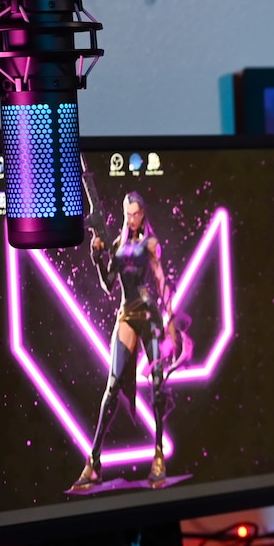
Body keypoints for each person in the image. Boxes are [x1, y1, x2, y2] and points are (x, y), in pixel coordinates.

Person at [70, 191, 188, 492]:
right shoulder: (118, 244)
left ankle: (158, 456)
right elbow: (109, 285)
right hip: (126, 314)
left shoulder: (149, 244)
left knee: (158, 384)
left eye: (137, 213)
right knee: (112, 386)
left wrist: (170, 317)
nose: (132, 218)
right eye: (128, 214)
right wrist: (97, 258)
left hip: (148, 312)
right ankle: (93, 463)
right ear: (124, 214)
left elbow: (160, 281)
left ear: (143, 214)